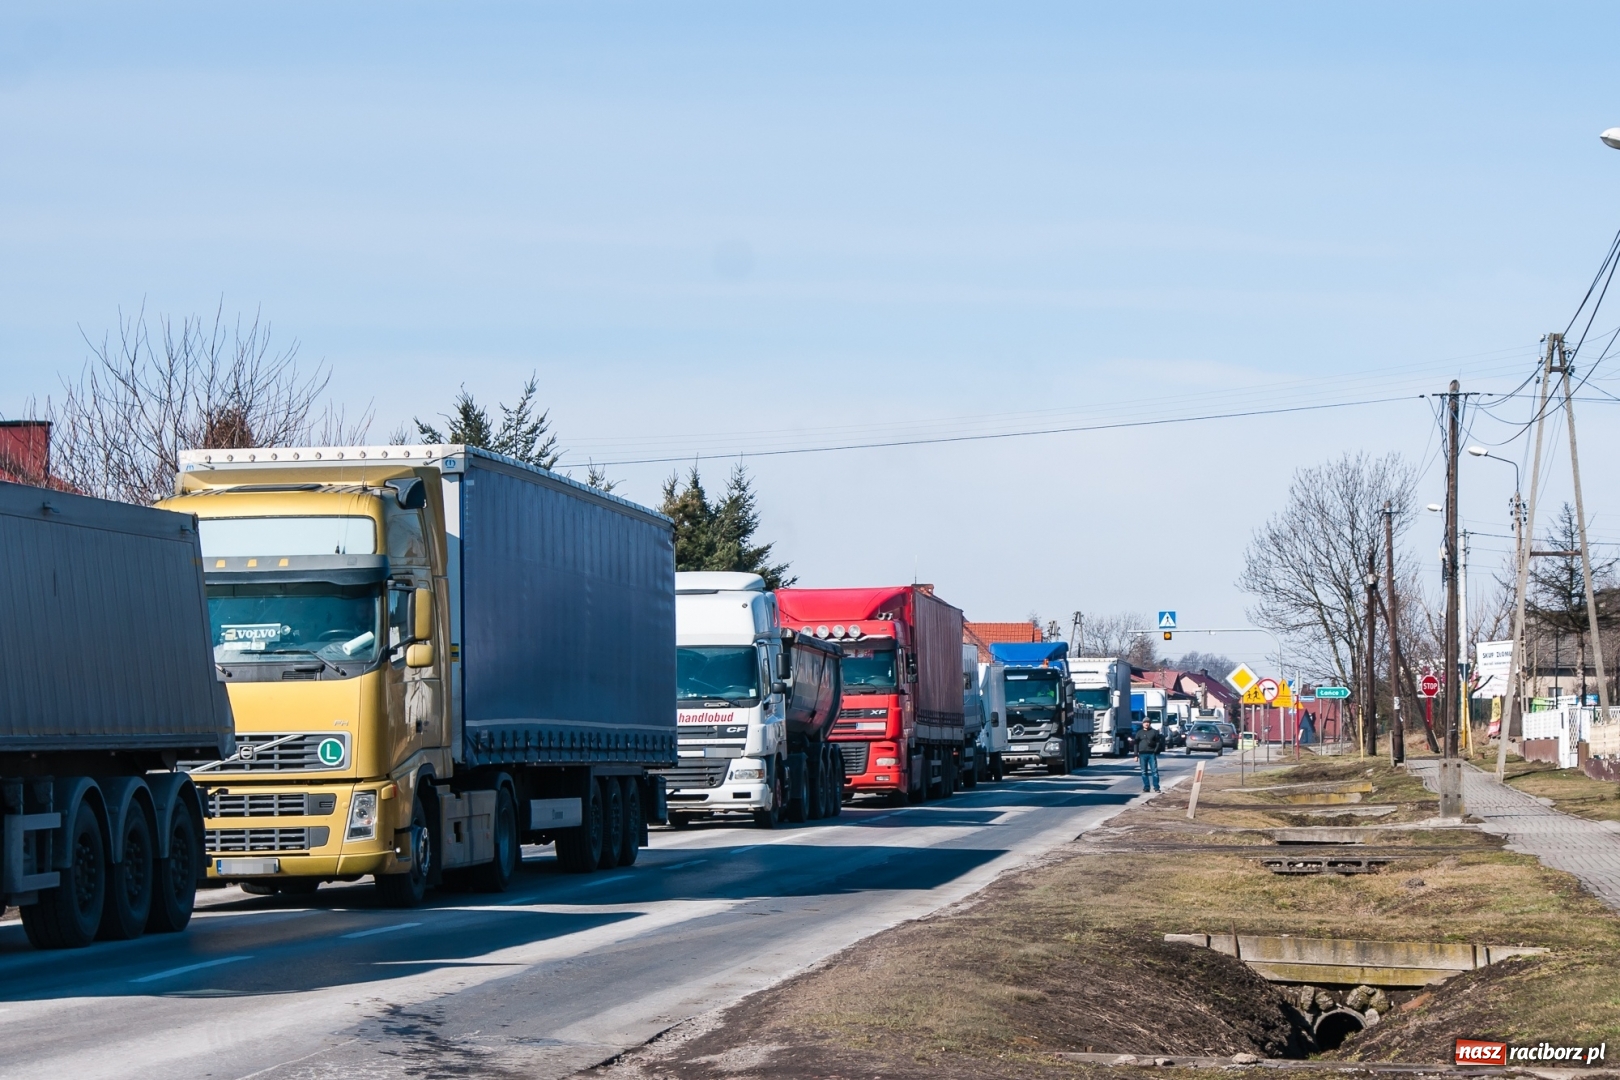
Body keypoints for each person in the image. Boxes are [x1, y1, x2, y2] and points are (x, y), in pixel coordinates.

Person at [1137, 720, 1164, 793]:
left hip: (1151, 754)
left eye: (1148, 722)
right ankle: (1146, 787)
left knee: (1154, 771)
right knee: (1143, 772)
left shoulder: (1154, 732)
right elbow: (1136, 744)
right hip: (1142, 754)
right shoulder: (1139, 733)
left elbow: (1158, 742)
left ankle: (1156, 787)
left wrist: (1155, 750)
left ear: (1150, 724)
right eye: (1145, 722)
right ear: (1143, 724)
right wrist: (1135, 754)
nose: (1146, 724)